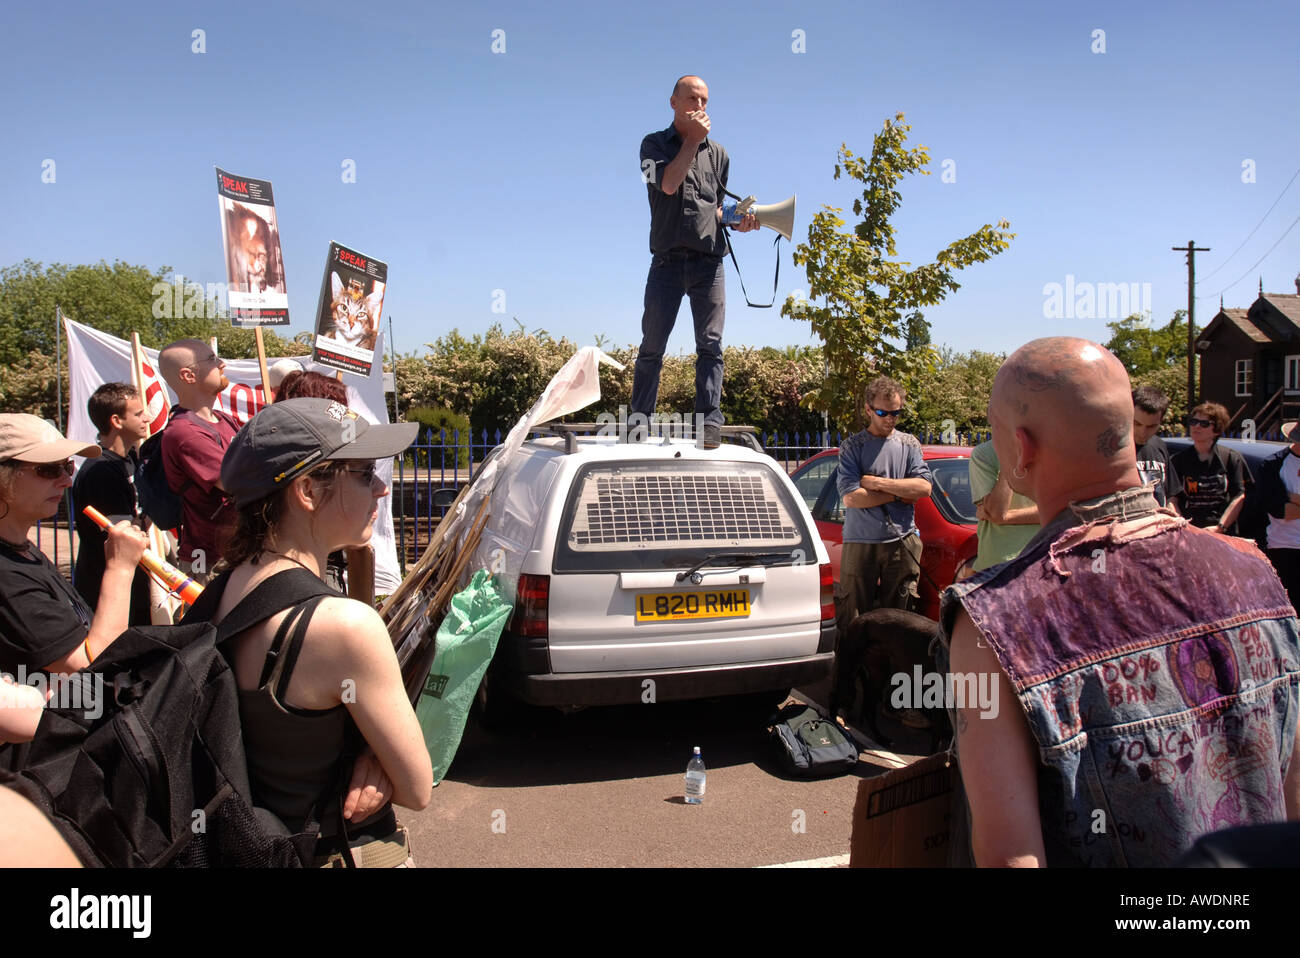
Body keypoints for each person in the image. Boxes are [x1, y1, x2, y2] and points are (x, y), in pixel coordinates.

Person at [940, 337, 1300, 867]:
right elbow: (1292, 796)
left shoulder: (994, 621)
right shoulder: (1255, 569)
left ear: (1020, 447)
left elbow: (1010, 858)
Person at [196, 398, 431, 865]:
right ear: (307, 490)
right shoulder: (341, 625)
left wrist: (373, 751)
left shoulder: (227, 585)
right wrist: (379, 758)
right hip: (331, 849)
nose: (381, 490)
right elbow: (417, 787)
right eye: (364, 473)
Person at [631, 74, 759, 449]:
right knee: (652, 345)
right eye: (692, 99)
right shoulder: (652, 145)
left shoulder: (719, 154)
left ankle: (709, 426)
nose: (700, 107)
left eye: (704, 101)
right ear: (673, 102)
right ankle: (638, 425)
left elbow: (715, 208)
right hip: (666, 264)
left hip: (709, 263)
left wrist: (740, 220)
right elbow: (668, 185)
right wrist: (691, 141)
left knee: (711, 345)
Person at [0, 414, 147, 678]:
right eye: (48, 469)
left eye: (67, 467)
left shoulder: (22, 550)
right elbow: (93, 664)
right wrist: (120, 569)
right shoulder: (6, 572)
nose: (67, 480)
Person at [831, 377, 932, 720]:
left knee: (904, 625)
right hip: (861, 543)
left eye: (897, 412)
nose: (890, 419)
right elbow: (851, 498)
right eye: (883, 412)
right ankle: (845, 700)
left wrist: (876, 483)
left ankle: (902, 703)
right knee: (854, 623)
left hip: (903, 542)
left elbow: (924, 487)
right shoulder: (852, 447)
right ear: (867, 409)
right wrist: (900, 492)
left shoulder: (909, 444)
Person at [157, 339, 240, 579]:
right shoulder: (184, 432)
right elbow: (236, 481)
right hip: (211, 563)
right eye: (212, 359)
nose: (222, 364)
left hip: (233, 555)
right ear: (188, 375)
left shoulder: (224, 420)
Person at [71, 383, 152, 625]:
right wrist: (152, 512)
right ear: (116, 420)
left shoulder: (128, 461)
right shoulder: (101, 470)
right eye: (138, 414)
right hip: (106, 589)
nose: (147, 418)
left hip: (132, 585)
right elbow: (123, 535)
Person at [1171, 401, 1248, 534]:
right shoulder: (1178, 460)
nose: (1197, 427)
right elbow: (1172, 498)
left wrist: (1220, 527)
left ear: (1216, 430)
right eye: (1193, 422)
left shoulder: (1230, 458)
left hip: (1221, 533)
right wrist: (1179, 523)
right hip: (1189, 532)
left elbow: (1239, 496)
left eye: (1204, 424)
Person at [969, 439, 1039, 572]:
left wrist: (1006, 517)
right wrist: (1011, 459)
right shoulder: (985, 453)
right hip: (998, 566)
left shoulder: (1054, 449)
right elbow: (997, 512)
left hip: (1042, 562)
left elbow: (1067, 509)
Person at [1257, 420, 1300, 615]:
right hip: (1284, 548)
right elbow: (1279, 510)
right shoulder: (1273, 464)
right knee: (1288, 614)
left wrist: (1290, 497)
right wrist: (1285, 501)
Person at [1131, 385, 1181, 509]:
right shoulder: (1112, 448)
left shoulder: (1159, 445)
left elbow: (1171, 495)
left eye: (1151, 427)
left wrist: (1174, 520)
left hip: (1158, 524)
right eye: (1136, 423)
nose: (1142, 432)